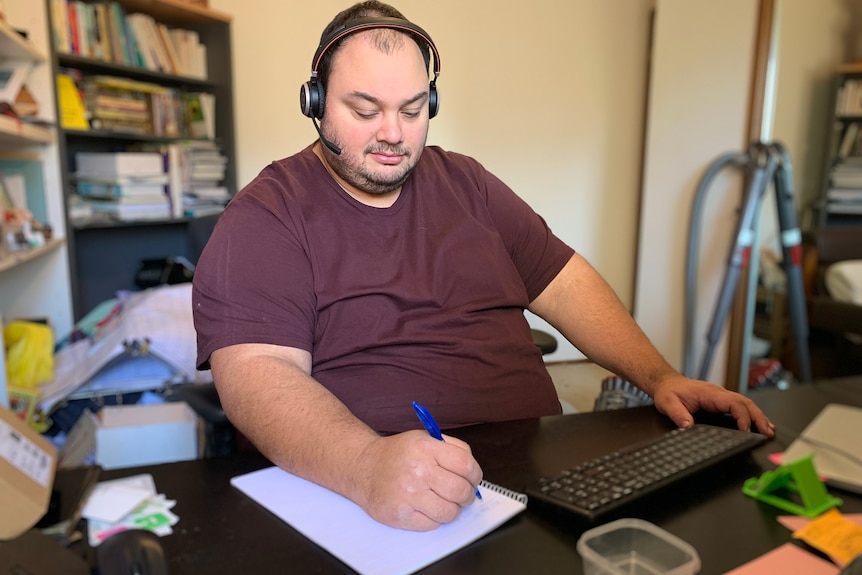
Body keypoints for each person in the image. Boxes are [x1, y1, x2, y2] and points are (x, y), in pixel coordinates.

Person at [192, 0, 775, 532]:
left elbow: (566, 283)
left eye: (413, 110)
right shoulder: (267, 214)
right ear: (315, 102)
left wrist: (660, 377)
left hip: (537, 480)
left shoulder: (467, 182)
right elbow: (257, 375)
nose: (393, 134)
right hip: (376, 496)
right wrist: (366, 464)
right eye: (364, 110)